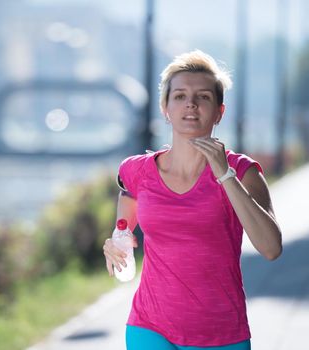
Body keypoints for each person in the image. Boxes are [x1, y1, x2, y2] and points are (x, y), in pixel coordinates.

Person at [103, 50, 282, 350]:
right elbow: (127, 196)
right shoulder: (136, 171)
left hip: (222, 334)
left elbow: (271, 248)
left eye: (203, 97)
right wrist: (118, 236)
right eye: (180, 96)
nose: (191, 104)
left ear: (219, 112)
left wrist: (225, 176)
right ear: (165, 108)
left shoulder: (243, 171)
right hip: (149, 327)